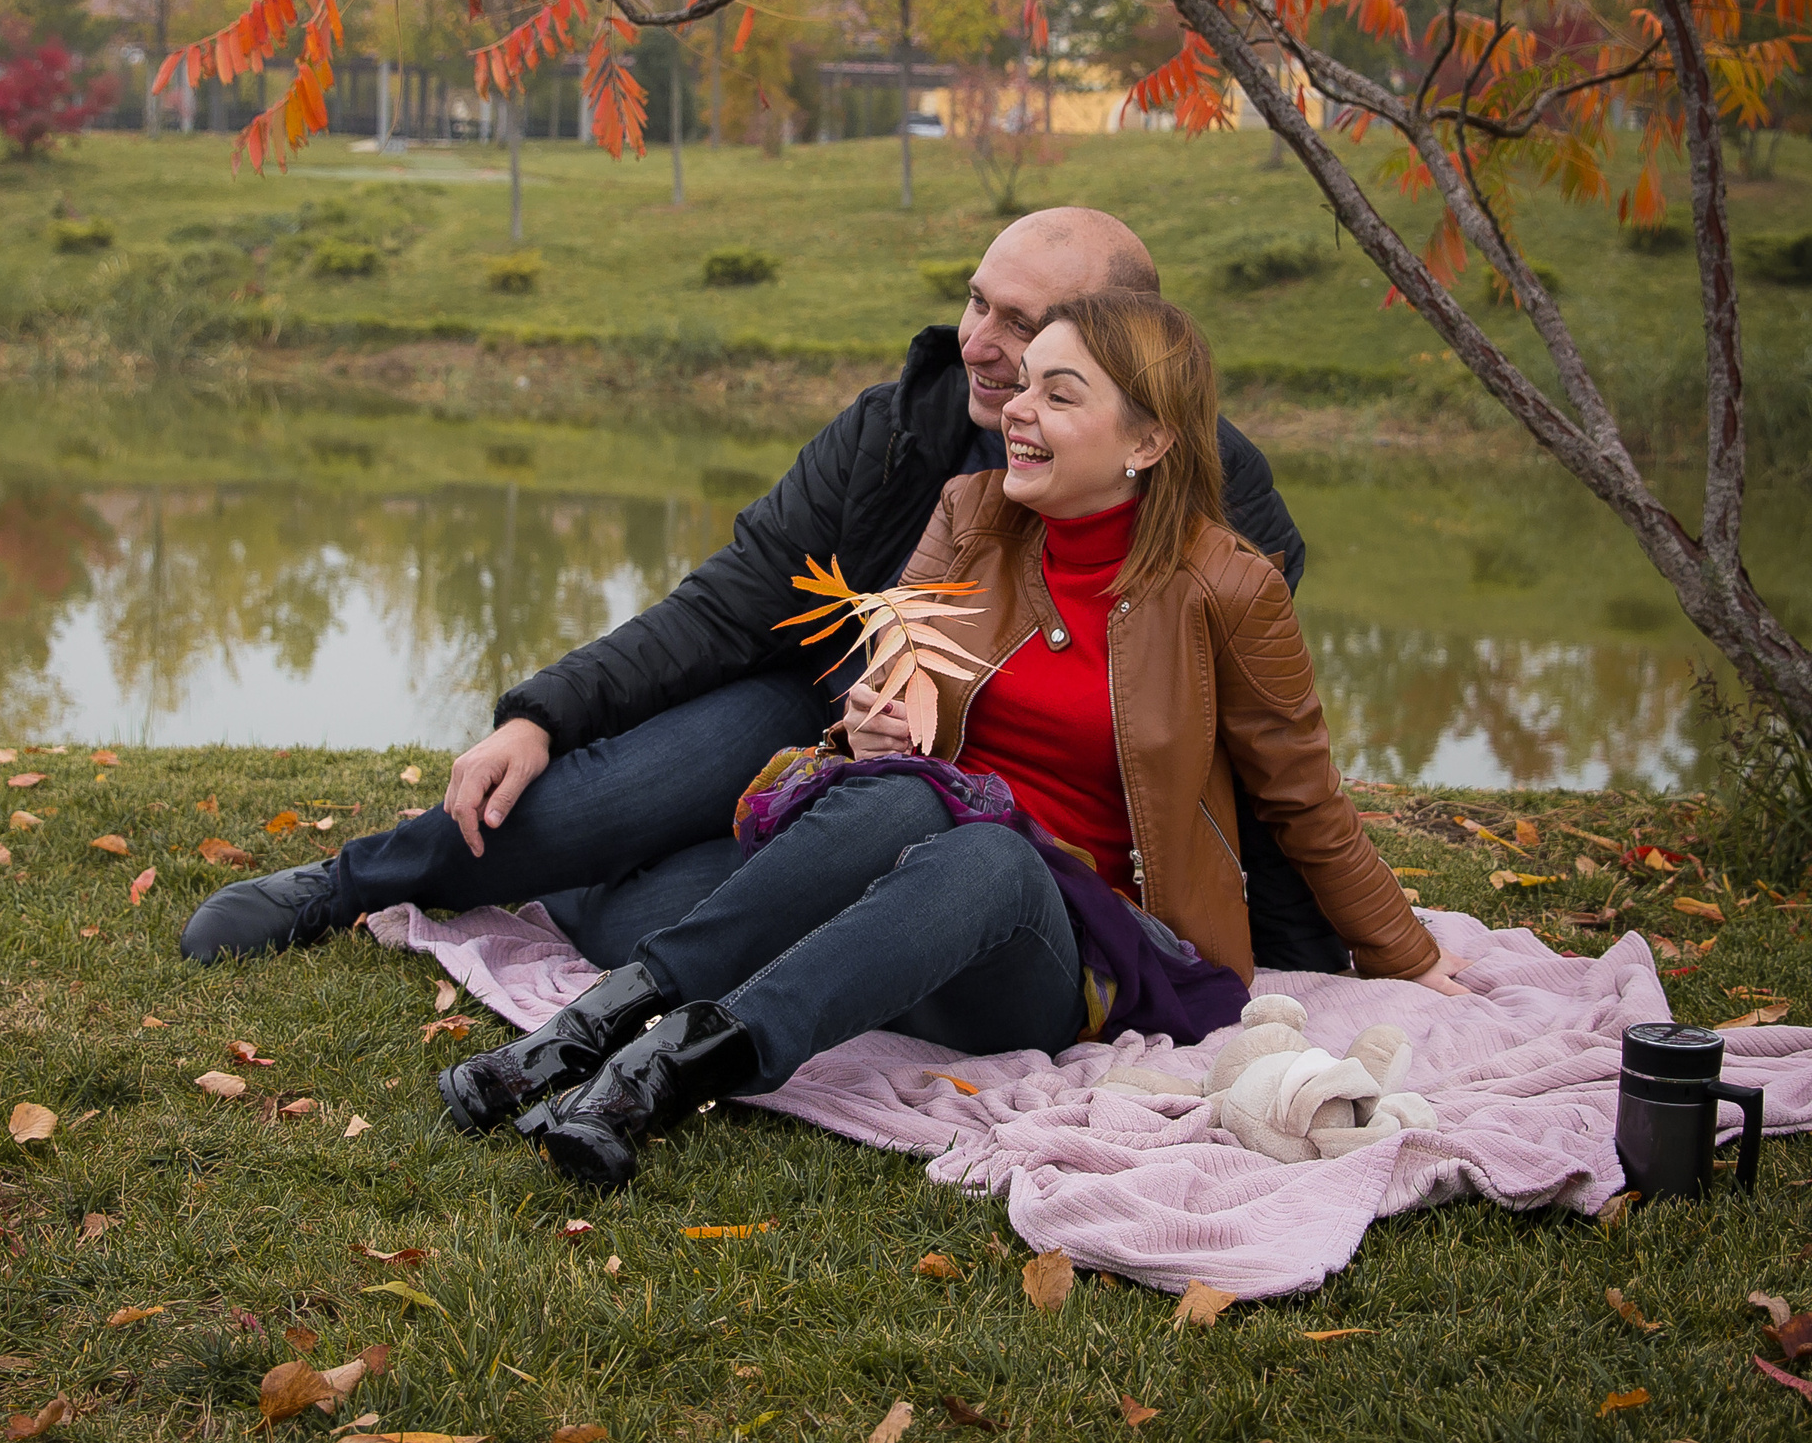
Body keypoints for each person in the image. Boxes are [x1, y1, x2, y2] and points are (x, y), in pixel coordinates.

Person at [461, 289, 1466, 1187]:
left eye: (1056, 395)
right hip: (903, 894)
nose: (1014, 410)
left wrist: (1409, 956)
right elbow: (892, 712)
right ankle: (590, 1028)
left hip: (1065, 945)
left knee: (983, 848)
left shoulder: (1231, 587)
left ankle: (660, 1073)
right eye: (1021, 386)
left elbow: (1300, 794)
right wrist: (866, 727)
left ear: (1147, 441)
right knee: (886, 806)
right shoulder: (968, 516)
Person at [182, 209, 1341, 971]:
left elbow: (1244, 748)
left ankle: (589, 883)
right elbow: (733, 600)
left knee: (640, 924)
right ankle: (347, 882)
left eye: (1023, 325)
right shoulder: (899, 432)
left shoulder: (1215, 502)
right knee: (608, 787)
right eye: (977, 301)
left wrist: (1294, 946)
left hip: (965, 810)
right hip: (810, 713)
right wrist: (543, 711)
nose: (982, 342)